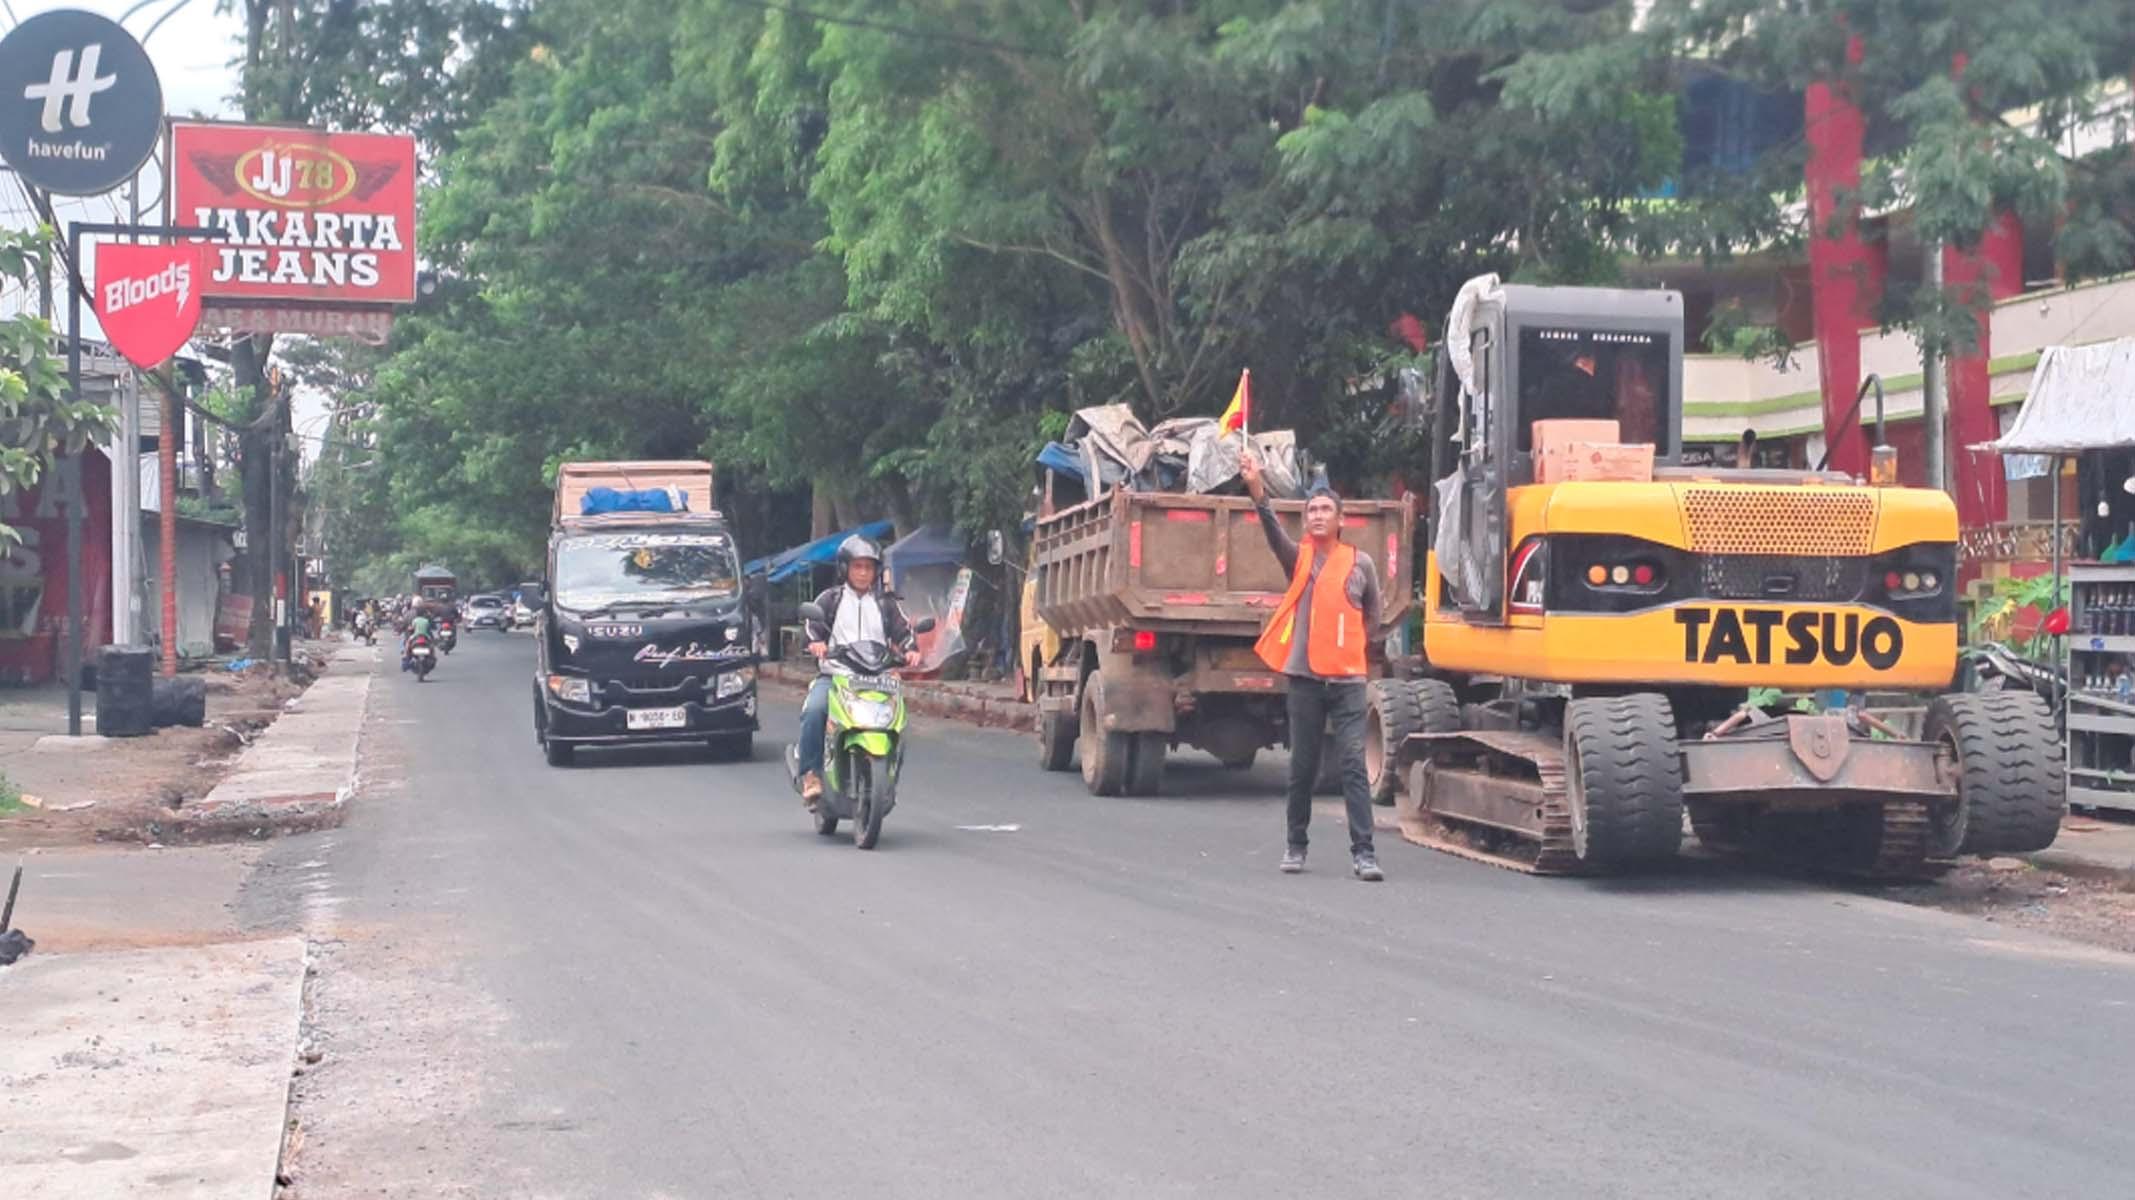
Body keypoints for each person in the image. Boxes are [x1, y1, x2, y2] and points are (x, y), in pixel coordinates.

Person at [1240, 451, 1387, 882]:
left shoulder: (1361, 564)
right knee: (1302, 766)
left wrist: (1348, 649)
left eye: (1325, 510)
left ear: (1341, 520)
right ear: (1306, 521)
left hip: (1348, 681)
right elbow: (1271, 530)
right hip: (1304, 680)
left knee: (1353, 765)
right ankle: (1296, 845)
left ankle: (1364, 853)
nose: (1318, 516)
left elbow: (1373, 616)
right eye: (1312, 510)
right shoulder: (1298, 559)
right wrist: (1257, 490)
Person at [796, 535, 921, 808]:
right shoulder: (830, 599)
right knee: (814, 710)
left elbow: (904, 631)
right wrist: (816, 643)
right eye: (857, 566)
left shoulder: (886, 603)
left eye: (869, 567)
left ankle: (888, 777)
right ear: (845, 568)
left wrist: (911, 649)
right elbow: (811, 627)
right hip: (837, 676)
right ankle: (811, 774)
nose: (863, 573)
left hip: (878, 679)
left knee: (899, 721)